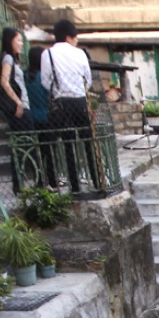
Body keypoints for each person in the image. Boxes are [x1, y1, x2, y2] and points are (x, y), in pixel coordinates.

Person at [40, 19, 97, 192]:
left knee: (68, 142)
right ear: (68, 37)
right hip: (80, 100)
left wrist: (59, 88)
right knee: (88, 140)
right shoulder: (80, 54)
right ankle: (96, 179)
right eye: (75, 37)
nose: (76, 40)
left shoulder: (47, 54)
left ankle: (74, 185)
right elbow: (88, 78)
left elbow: (45, 81)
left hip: (61, 102)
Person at [0, 27, 32, 193]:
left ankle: (20, 182)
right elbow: (4, 82)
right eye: (18, 40)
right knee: (21, 145)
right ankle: (18, 184)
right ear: (10, 40)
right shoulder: (8, 59)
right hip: (20, 108)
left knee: (23, 145)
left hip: (24, 105)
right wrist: (18, 103)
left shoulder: (12, 59)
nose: (20, 44)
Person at [25, 46, 57, 188]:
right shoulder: (43, 77)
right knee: (50, 151)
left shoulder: (25, 77)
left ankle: (39, 180)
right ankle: (52, 180)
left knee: (37, 151)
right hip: (46, 118)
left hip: (31, 118)